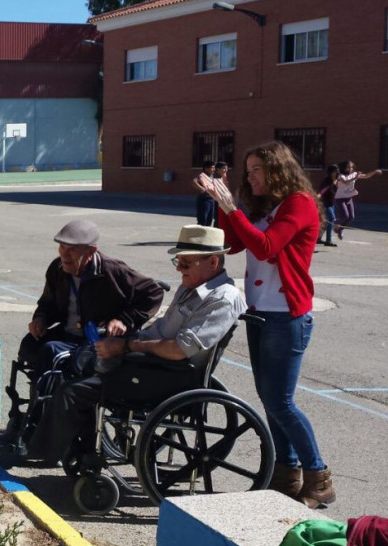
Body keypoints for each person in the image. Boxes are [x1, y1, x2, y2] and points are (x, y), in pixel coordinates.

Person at [29, 225, 246, 465]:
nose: (178, 269)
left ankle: (46, 452)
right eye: (178, 261)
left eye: (186, 264)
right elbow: (160, 329)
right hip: (153, 365)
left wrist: (127, 346)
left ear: (213, 263)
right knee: (81, 363)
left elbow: (178, 349)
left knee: (74, 390)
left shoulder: (223, 298)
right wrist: (123, 340)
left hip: (171, 374)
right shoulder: (189, 288)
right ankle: (80, 448)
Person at [210, 140, 335, 508]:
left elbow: (265, 247)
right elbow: (233, 244)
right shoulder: (270, 206)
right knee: (269, 399)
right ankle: (286, 473)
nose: (250, 178)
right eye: (247, 171)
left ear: (277, 170)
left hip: (286, 314)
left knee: (281, 401)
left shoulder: (299, 204)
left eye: (256, 170)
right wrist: (224, 206)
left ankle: (318, 476)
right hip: (261, 311)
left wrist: (233, 210)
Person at [20, 219, 164, 383]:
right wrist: (40, 319)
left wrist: (124, 320)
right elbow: (47, 302)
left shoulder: (112, 270)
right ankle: (42, 398)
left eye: (72, 250)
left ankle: (45, 406)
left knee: (51, 351)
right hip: (67, 335)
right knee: (30, 345)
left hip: (96, 341)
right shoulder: (57, 268)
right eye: (62, 247)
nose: (64, 255)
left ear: (90, 251)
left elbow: (153, 292)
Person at [333, 160, 382, 240]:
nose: (350, 169)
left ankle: (340, 229)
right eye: (348, 167)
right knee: (345, 215)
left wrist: (375, 171)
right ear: (344, 168)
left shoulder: (354, 174)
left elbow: (366, 176)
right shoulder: (340, 176)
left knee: (351, 217)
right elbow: (345, 182)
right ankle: (336, 222)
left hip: (348, 198)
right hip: (340, 198)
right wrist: (355, 177)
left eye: (352, 167)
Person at [317, 164, 339, 247]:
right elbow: (322, 191)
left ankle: (318, 238)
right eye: (334, 172)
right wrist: (317, 197)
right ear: (330, 172)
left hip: (331, 203)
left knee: (326, 222)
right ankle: (328, 240)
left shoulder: (336, 180)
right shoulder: (326, 181)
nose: (336, 173)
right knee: (332, 218)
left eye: (337, 172)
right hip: (325, 203)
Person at [193, 160, 217, 226]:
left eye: (214, 168)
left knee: (210, 219)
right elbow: (194, 181)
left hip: (211, 199)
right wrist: (201, 188)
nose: (214, 169)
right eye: (212, 167)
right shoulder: (202, 176)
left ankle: (207, 235)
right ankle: (200, 235)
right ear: (206, 168)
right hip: (204, 199)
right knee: (203, 219)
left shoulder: (211, 176)